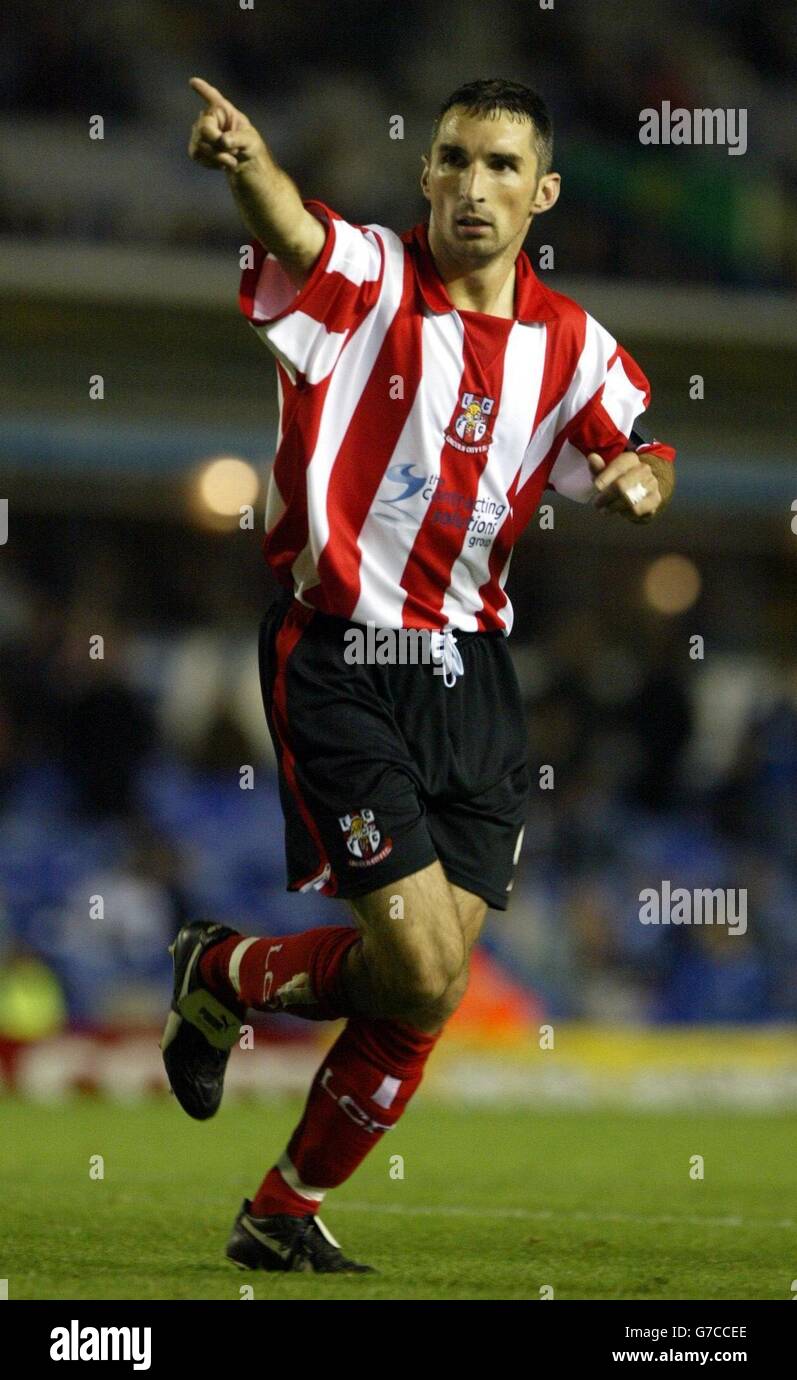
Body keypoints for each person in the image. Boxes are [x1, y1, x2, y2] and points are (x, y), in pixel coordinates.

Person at [162, 74, 676, 1275]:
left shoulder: (572, 344)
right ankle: (225, 973)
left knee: (427, 989)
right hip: (341, 657)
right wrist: (244, 161)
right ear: (427, 176)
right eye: (454, 159)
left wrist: (644, 479)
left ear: (541, 192)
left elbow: (636, 439)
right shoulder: (364, 281)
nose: (474, 185)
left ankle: (279, 1195)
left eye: (503, 165)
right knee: (424, 964)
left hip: (472, 673)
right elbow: (289, 221)